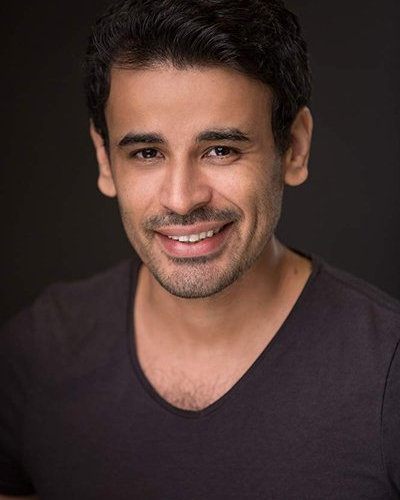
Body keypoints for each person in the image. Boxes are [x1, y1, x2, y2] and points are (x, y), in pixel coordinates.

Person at [1, 0, 399, 498]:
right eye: (147, 153)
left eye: (221, 150)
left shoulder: (388, 372)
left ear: (294, 148)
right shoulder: (36, 353)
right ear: (105, 160)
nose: (182, 198)